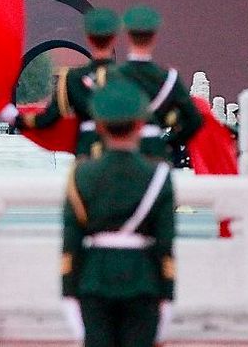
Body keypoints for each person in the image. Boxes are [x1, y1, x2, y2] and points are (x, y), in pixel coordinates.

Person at [62, 78, 175, 347]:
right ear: (139, 125)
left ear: (99, 127)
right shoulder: (158, 176)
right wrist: (168, 298)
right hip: (143, 281)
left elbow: (70, 243)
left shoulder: (81, 175)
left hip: (94, 280)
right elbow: (165, 246)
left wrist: (68, 294)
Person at [10, 7, 121, 158]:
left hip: (86, 152)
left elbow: (48, 119)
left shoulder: (71, 79)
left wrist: (16, 119)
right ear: (114, 38)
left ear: (88, 38)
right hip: (119, 150)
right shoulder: (128, 77)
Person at [115, 5, 202, 164]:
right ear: (154, 37)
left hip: (121, 153)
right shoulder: (169, 78)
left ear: (127, 36)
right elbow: (194, 119)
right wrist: (170, 142)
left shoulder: (113, 75)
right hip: (156, 153)